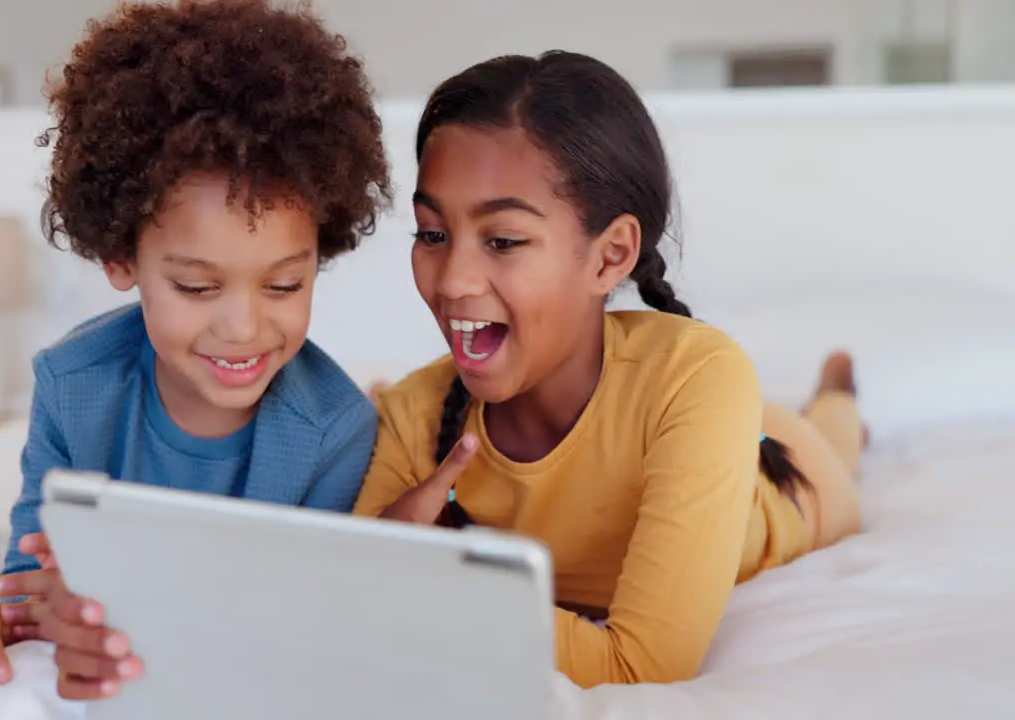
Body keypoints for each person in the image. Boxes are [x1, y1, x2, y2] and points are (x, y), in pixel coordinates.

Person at [0, 0, 391, 707]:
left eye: (285, 283)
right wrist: (6, 622)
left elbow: (305, 623)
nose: (243, 328)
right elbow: (27, 584)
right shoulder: (72, 386)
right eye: (196, 285)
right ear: (121, 256)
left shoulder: (336, 432)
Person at [352, 51, 866, 689]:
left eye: (503, 240)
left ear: (610, 256)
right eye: (432, 234)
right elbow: (352, 603)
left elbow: (641, 664)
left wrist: (431, 581)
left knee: (832, 439)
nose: (453, 280)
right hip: (703, 423)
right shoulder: (412, 414)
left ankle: (837, 398)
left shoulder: (696, 375)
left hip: (794, 477)